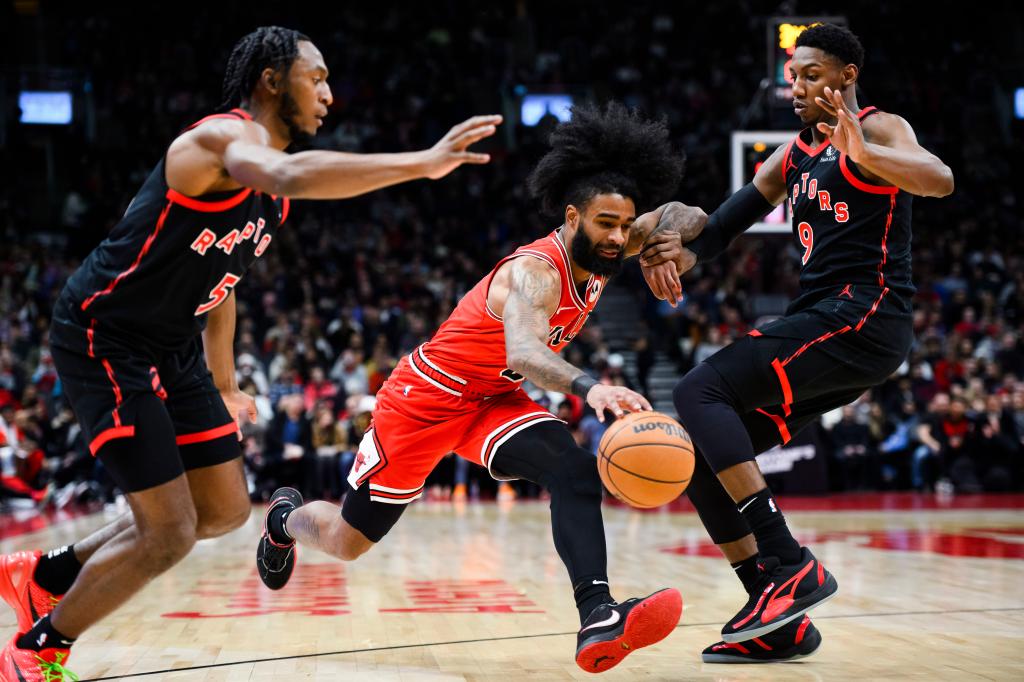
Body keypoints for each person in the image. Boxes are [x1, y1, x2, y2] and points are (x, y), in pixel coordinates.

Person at [0, 25, 500, 681]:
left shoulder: (272, 202)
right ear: (271, 78)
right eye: (315, 77)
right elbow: (290, 170)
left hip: (173, 345)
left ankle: (47, 574)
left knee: (225, 510)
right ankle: (37, 648)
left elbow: (222, 283)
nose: (327, 92)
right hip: (106, 336)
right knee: (170, 532)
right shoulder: (215, 142)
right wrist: (420, 161)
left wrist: (227, 382)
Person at [255, 102, 701, 673]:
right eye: (605, 225)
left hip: (492, 402)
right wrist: (591, 387)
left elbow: (688, 214)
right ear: (571, 218)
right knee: (348, 541)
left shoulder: (618, 241)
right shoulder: (535, 272)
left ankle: (598, 616)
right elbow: (524, 352)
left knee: (572, 469)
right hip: (422, 401)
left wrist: (664, 243)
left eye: (625, 226)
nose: (617, 238)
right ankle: (283, 520)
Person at [643, 23, 954, 663]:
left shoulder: (879, 127)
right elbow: (726, 224)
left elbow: (938, 178)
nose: (798, 87)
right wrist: (679, 251)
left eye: (811, 74)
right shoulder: (792, 156)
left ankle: (788, 560)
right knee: (702, 454)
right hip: (828, 324)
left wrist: (866, 153)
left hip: (865, 313)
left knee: (701, 387)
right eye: (793, 77)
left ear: (845, 75)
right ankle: (776, 619)